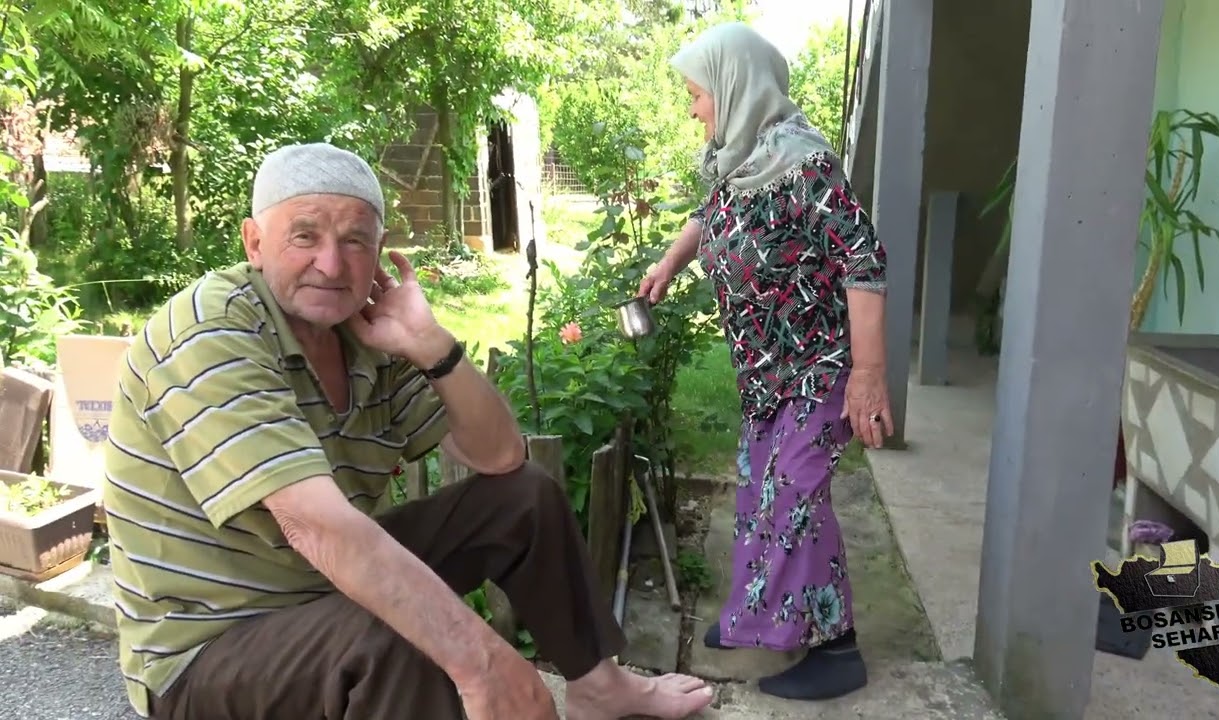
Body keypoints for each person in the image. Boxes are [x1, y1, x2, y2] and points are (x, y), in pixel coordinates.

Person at [103, 142, 716, 720]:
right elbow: (313, 524)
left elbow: (499, 456)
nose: (331, 263)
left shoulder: (364, 331)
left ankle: (598, 687)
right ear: (255, 242)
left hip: (317, 592)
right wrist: (483, 664)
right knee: (404, 638)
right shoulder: (211, 332)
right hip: (209, 650)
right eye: (305, 237)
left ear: (379, 253)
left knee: (524, 496)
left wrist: (431, 345)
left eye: (354, 241)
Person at [638, 23, 894, 702]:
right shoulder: (738, 160)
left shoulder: (805, 166)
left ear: (734, 88)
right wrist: (669, 263)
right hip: (766, 373)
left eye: (697, 94)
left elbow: (864, 259)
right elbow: (709, 216)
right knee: (759, 495)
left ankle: (837, 649)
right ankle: (762, 617)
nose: (692, 107)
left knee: (795, 497)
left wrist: (867, 376)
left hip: (819, 367)